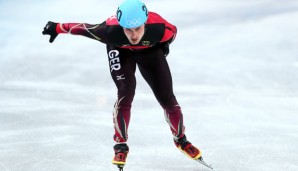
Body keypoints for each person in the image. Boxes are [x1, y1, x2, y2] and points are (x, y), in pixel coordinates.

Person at [42, 0, 201, 168]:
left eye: (138, 28)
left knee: (167, 98)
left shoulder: (160, 29)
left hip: (149, 51)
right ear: (121, 26)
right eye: (128, 29)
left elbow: (173, 33)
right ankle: (120, 145)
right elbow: (84, 28)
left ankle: (181, 140)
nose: (133, 35)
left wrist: (165, 44)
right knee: (126, 91)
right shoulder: (109, 31)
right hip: (119, 49)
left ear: (145, 23)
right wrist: (56, 27)